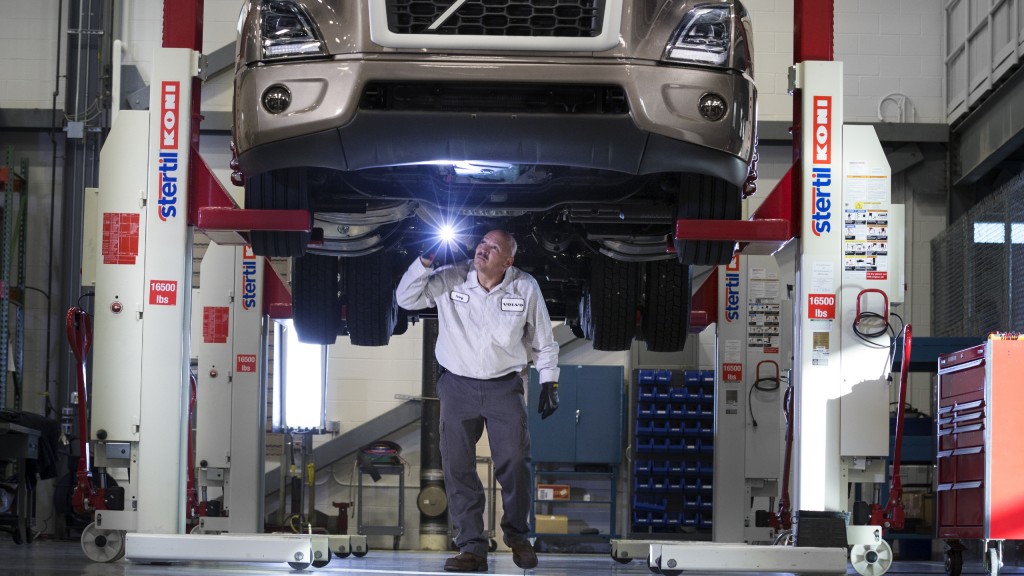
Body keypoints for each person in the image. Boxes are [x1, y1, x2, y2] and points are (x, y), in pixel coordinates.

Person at [395, 229, 560, 572]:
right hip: (457, 386)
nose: (483, 250)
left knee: (515, 460)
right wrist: (425, 262)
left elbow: (544, 340)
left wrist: (549, 382)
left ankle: (516, 534)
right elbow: (406, 299)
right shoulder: (451, 277)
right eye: (482, 243)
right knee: (457, 466)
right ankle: (471, 547)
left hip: (504, 388)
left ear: (508, 260)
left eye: (493, 247)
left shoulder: (524, 287)